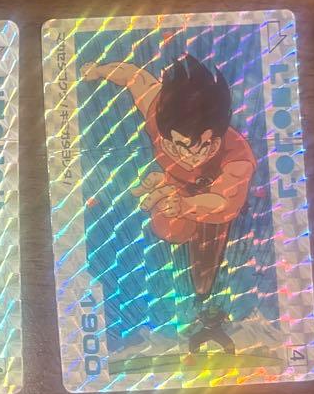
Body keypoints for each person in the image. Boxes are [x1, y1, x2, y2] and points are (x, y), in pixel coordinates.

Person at [81, 53, 256, 312]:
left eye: (205, 146)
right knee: (168, 228)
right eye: (183, 147)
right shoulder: (157, 112)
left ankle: (205, 297)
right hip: (178, 189)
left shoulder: (238, 156)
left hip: (215, 200)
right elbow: (133, 76)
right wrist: (98, 70)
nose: (193, 156)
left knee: (205, 271)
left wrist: (187, 205)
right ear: (166, 136)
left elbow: (223, 201)